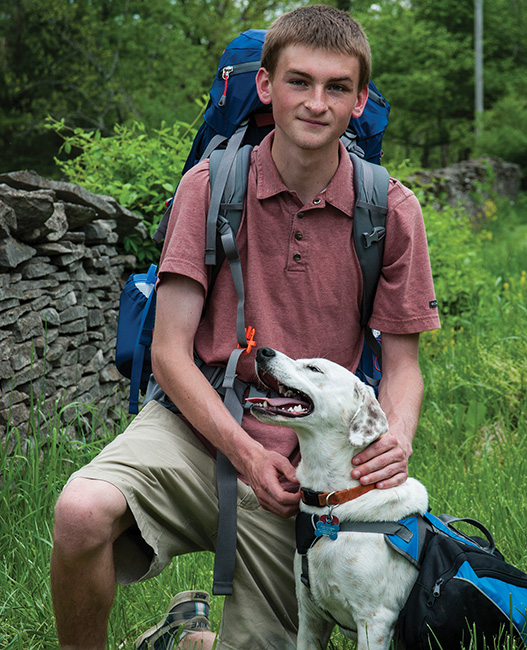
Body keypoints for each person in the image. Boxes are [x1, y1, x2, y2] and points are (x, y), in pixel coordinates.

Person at [50, 5, 441, 650]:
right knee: (80, 511)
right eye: (298, 81)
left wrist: (393, 441)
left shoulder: (391, 211)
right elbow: (171, 353)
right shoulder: (211, 186)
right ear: (265, 86)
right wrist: (244, 452)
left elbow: (402, 368)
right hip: (194, 427)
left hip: (305, 469)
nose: (316, 103)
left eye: (336, 87)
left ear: (359, 100)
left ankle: (187, 637)